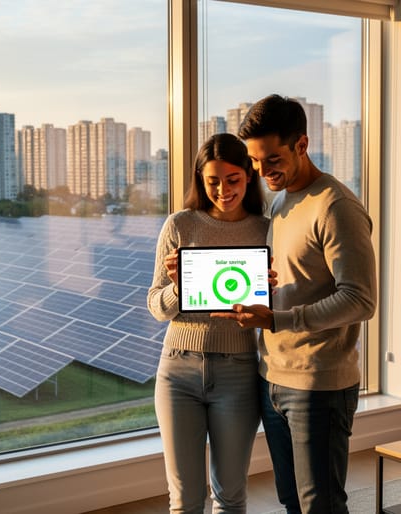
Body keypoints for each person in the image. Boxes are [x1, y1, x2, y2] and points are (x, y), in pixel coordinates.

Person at [212, 94, 377, 513]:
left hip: (319, 383)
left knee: (318, 504)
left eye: (272, 159)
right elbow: (296, 283)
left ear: (301, 145)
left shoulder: (337, 206)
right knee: (290, 501)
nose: (262, 171)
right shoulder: (281, 201)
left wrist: (277, 319)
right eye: (254, 161)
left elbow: (360, 299)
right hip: (274, 380)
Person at [147, 133, 270, 513]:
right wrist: (180, 290)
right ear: (200, 179)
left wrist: (273, 294)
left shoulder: (265, 230)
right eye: (212, 181)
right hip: (177, 369)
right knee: (184, 500)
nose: (223, 190)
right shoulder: (179, 225)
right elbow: (156, 305)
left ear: (249, 176)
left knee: (230, 496)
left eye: (232, 179)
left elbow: (272, 309)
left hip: (239, 371)